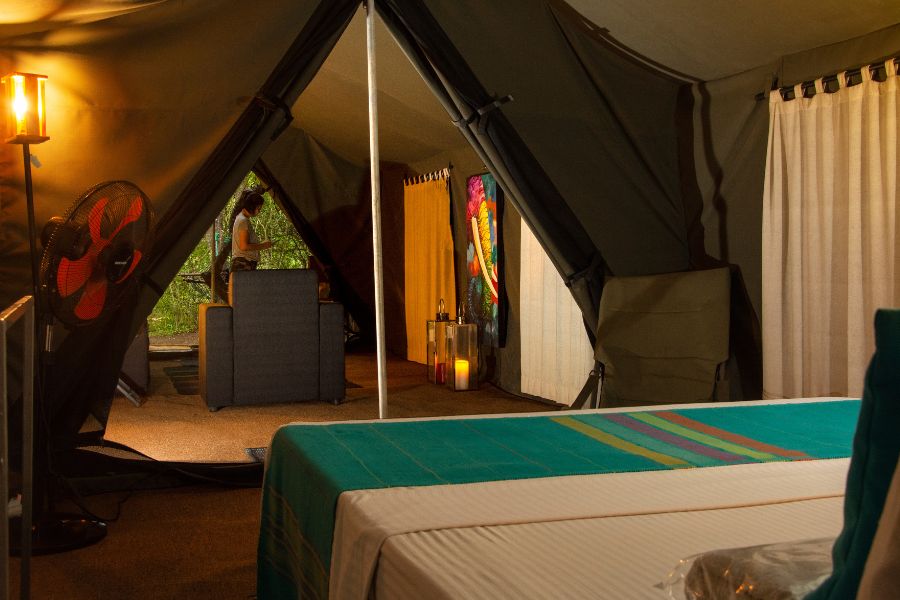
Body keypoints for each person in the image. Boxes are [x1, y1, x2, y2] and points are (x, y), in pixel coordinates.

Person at [230, 189, 272, 275]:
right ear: (252, 206)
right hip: (243, 264)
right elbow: (244, 246)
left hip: (245, 263)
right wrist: (263, 245)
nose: (259, 212)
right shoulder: (243, 221)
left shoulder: (242, 219)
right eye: (258, 209)